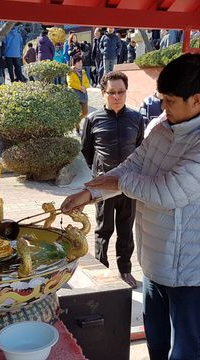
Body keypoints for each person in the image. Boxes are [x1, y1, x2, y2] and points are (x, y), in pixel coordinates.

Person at [61, 54, 200, 359]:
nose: (162, 107)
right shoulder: (162, 125)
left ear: (197, 100)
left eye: (169, 100)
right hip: (158, 260)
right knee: (157, 342)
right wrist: (89, 192)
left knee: (187, 350)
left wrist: (115, 185)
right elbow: (132, 167)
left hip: (196, 267)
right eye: (161, 99)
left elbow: (169, 192)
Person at [77, 70, 144, 289]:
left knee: (126, 230)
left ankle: (125, 271)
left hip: (128, 185)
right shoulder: (93, 119)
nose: (117, 96)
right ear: (104, 93)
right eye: (112, 92)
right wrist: (99, 174)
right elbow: (87, 151)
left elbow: (141, 150)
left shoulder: (136, 118)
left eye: (121, 92)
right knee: (103, 230)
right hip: (102, 187)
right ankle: (102, 270)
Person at [67, 56, 90, 133]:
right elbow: (70, 83)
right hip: (75, 95)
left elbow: (87, 82)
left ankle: (76, 122)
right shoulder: (70, 71)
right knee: (76, 112)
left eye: (81, 62)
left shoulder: (83, 72)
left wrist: (84, 87)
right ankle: (77, 128)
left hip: (83, 94)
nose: (80, 64)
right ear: (74, 63)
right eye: (78, 62)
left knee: (85, 112)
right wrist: (80, 87)